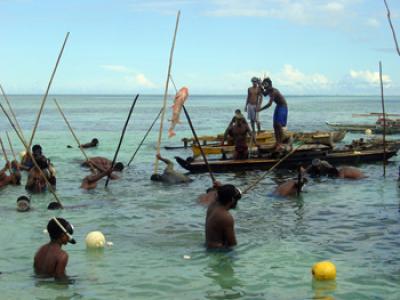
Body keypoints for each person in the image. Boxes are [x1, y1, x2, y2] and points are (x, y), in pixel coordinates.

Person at [205, 184, 241, 249]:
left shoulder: (212, 205)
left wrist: (220, 187)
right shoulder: (226, 217)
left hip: (208, 246)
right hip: (220, 251)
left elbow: (216, 193)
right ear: (232, 200)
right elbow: (232, 244)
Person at [258, 77, 288, 151]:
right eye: (263, 84)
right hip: (278, 106)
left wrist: (260, 109)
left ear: (269, 84)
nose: (264, 86)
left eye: (265, 84)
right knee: (275, 125)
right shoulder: (268, 90)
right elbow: (264, 94)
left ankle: (280, 144)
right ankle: (277, 143)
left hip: (283, 107)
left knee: (278, 125)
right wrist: (260, 86)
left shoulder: (274, 91)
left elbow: (269, 104)